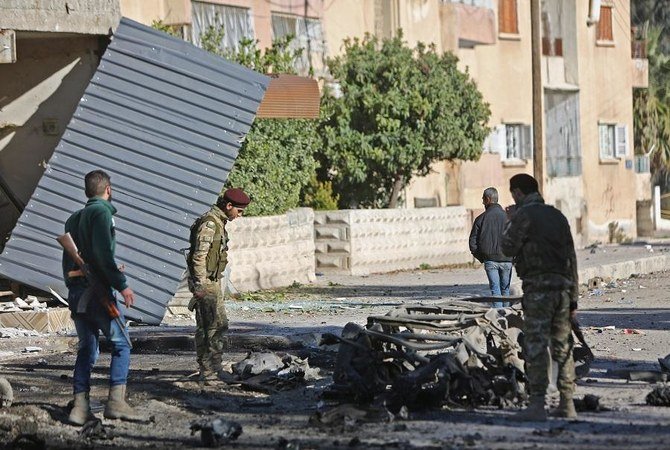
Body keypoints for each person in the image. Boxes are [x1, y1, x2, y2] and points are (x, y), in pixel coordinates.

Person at [62, 170, 141, 425]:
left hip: (76, 293)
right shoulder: (102, 213)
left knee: (87, 349)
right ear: (108, 189)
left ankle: (80, 407)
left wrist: (86, 279)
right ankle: (116, 402)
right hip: (96, 294)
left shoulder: (73, 218)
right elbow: (102, 254)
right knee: (122, 344)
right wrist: (122, 285)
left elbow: (77, 261)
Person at [501, 174, 578, 421]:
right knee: (563, 346)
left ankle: (537, 405)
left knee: (535, 345)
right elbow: (571, 258)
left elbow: (507, 247)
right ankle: (567, 404)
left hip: (538, 289)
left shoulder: (524, 215)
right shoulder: (557, 216)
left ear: (518, 193)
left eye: (514, 194)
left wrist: (509, 221)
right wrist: (574, 297)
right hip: (563, 289)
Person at [187, 188, 250, 383]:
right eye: (238, 211)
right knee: (210, 327)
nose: (239, 216)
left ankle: (213, 367)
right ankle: (208, 371)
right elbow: (199, 256)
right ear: (228, 206)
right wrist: (200, 285)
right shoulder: (210, 223)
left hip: (211, 280)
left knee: (218, 325)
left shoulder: (218, 222)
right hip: (205, 282)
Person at [469, 187, 513, 308]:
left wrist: (482, 257)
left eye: (483, 199)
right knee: (506, 291)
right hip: (507, 260)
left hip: (490, 260)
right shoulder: (509, 218)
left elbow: (473, 242)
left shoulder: (480, 219)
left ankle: (499, 318)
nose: (482, 202)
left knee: (495, 291)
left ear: (488, 199)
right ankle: (507, 318)